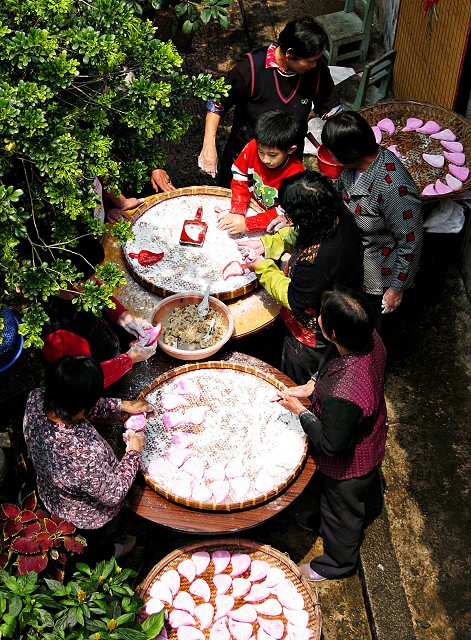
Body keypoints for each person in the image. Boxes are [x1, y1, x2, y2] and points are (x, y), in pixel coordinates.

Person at [274, 289, 388, 581]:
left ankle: (337, 562)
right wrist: (311, 385)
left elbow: (331, 444)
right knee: (330, 504)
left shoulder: (346, 391)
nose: (318, 318)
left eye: (322, 317)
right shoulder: (366, 337)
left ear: (332, 332)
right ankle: (323, 521)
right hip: (366, 428)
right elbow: (330, 359)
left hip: (352, 463)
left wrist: (300, 410)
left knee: (343, 512)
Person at [23, 356, 155, 560]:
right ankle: (111, 554)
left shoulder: (37, 400)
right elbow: (114, 493)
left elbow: (77, 404)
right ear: (80, 408)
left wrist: (122, 406)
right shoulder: (82, 455)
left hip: (53, 494)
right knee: (97, 544)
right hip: (88, 515)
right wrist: (133, 452)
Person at [238, 171, 363, 384]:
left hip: (314, 332)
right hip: (321, 293)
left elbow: (295, 299)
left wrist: (262, 267)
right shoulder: (329, 210)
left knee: (296, 375)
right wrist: (268, 245)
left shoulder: (319, 259)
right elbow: (298, 231)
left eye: (288, 213)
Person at [198, 16, 341, 187]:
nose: (314, 65)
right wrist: (208, 146)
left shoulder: (316, 70)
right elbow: (217, 104)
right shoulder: (251, 67)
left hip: (289, 160)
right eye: (310, 61)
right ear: (289, 53)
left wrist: (341, 145)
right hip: (246, 153)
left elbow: (330, 109)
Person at [321, 111, 423, 321]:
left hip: (379, 273)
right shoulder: (354, 167)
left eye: (332, 152)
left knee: (370, 323)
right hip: (357, 258)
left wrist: (396, 288)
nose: (330, 157)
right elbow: (338, 190)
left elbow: (410, 242)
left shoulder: (394, 187)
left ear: (349, 154)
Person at [41, 237, 158, 388]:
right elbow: (84, 383)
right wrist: (129, 359)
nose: (96, 281)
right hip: (98, 382)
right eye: (90, 280)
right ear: (69, 283)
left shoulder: (75, 285)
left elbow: (97, 291)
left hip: (104, 340)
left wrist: (124, 318)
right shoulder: (60, 336)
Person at [217, 110, 305, 235]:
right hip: (252, 206)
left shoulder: (297, 176)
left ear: (290, 150)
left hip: (272, 223)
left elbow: (284, 212)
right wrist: (238, 209)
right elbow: (239, 177)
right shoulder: (252, 147)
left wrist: (249, 224)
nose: (265, 160)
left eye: (273, 155)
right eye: (261, 152)